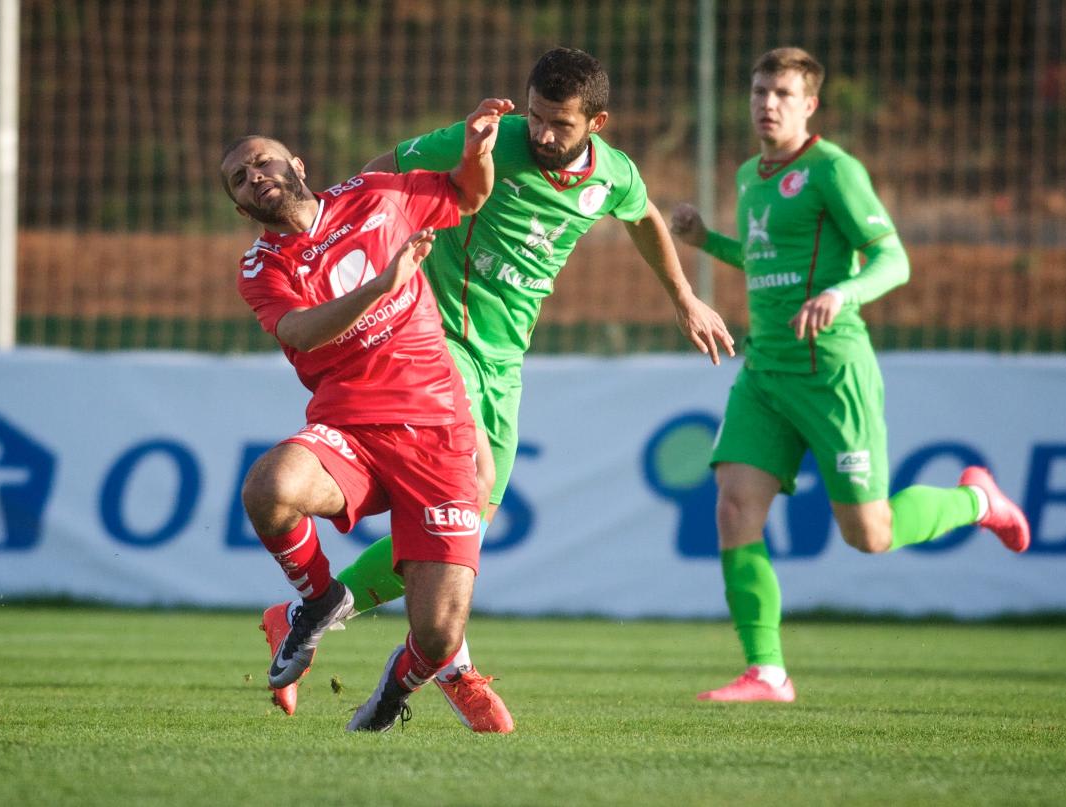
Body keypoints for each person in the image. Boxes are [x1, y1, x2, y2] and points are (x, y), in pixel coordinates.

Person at [258, 47, 737, 729]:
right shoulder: (489, 139)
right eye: (537, 116)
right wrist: (349, 242)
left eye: (560, 124)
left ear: (596, 123)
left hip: (504, 361)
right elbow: (381, 173)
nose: (542, 133)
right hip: (435, 340)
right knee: (470, 486)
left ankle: (311, 620)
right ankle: (449, 666)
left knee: (468, 524)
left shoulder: (614, 175)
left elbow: (643, 217)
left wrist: (685, 298)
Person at [669, 47, 1031, 703]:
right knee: (733, 506)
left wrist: (842, 293)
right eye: (758, 91)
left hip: (831, 373)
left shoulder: (834, 170)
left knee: (870, 535)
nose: (767, 103)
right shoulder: (750, 174)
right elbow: (768, 260)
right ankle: (767, 671)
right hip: (766, 372)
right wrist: (706, 242)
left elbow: (893, 259)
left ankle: (978, 501)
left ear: (810, 104)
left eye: (783, 93)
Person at [221, 96, 515, 731]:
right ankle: (318, 600)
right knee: (268, 487)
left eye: (263, 161)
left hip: (439, 429)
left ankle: (393, 691)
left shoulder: (376, 195)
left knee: (437, 636)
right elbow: (300, 332)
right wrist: (382, 284)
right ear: (242, 208)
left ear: (298, 164)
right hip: (351, 428)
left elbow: (468, 195)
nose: (256, 175)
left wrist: (477, 152)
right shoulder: (261, 266)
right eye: (240, 179)